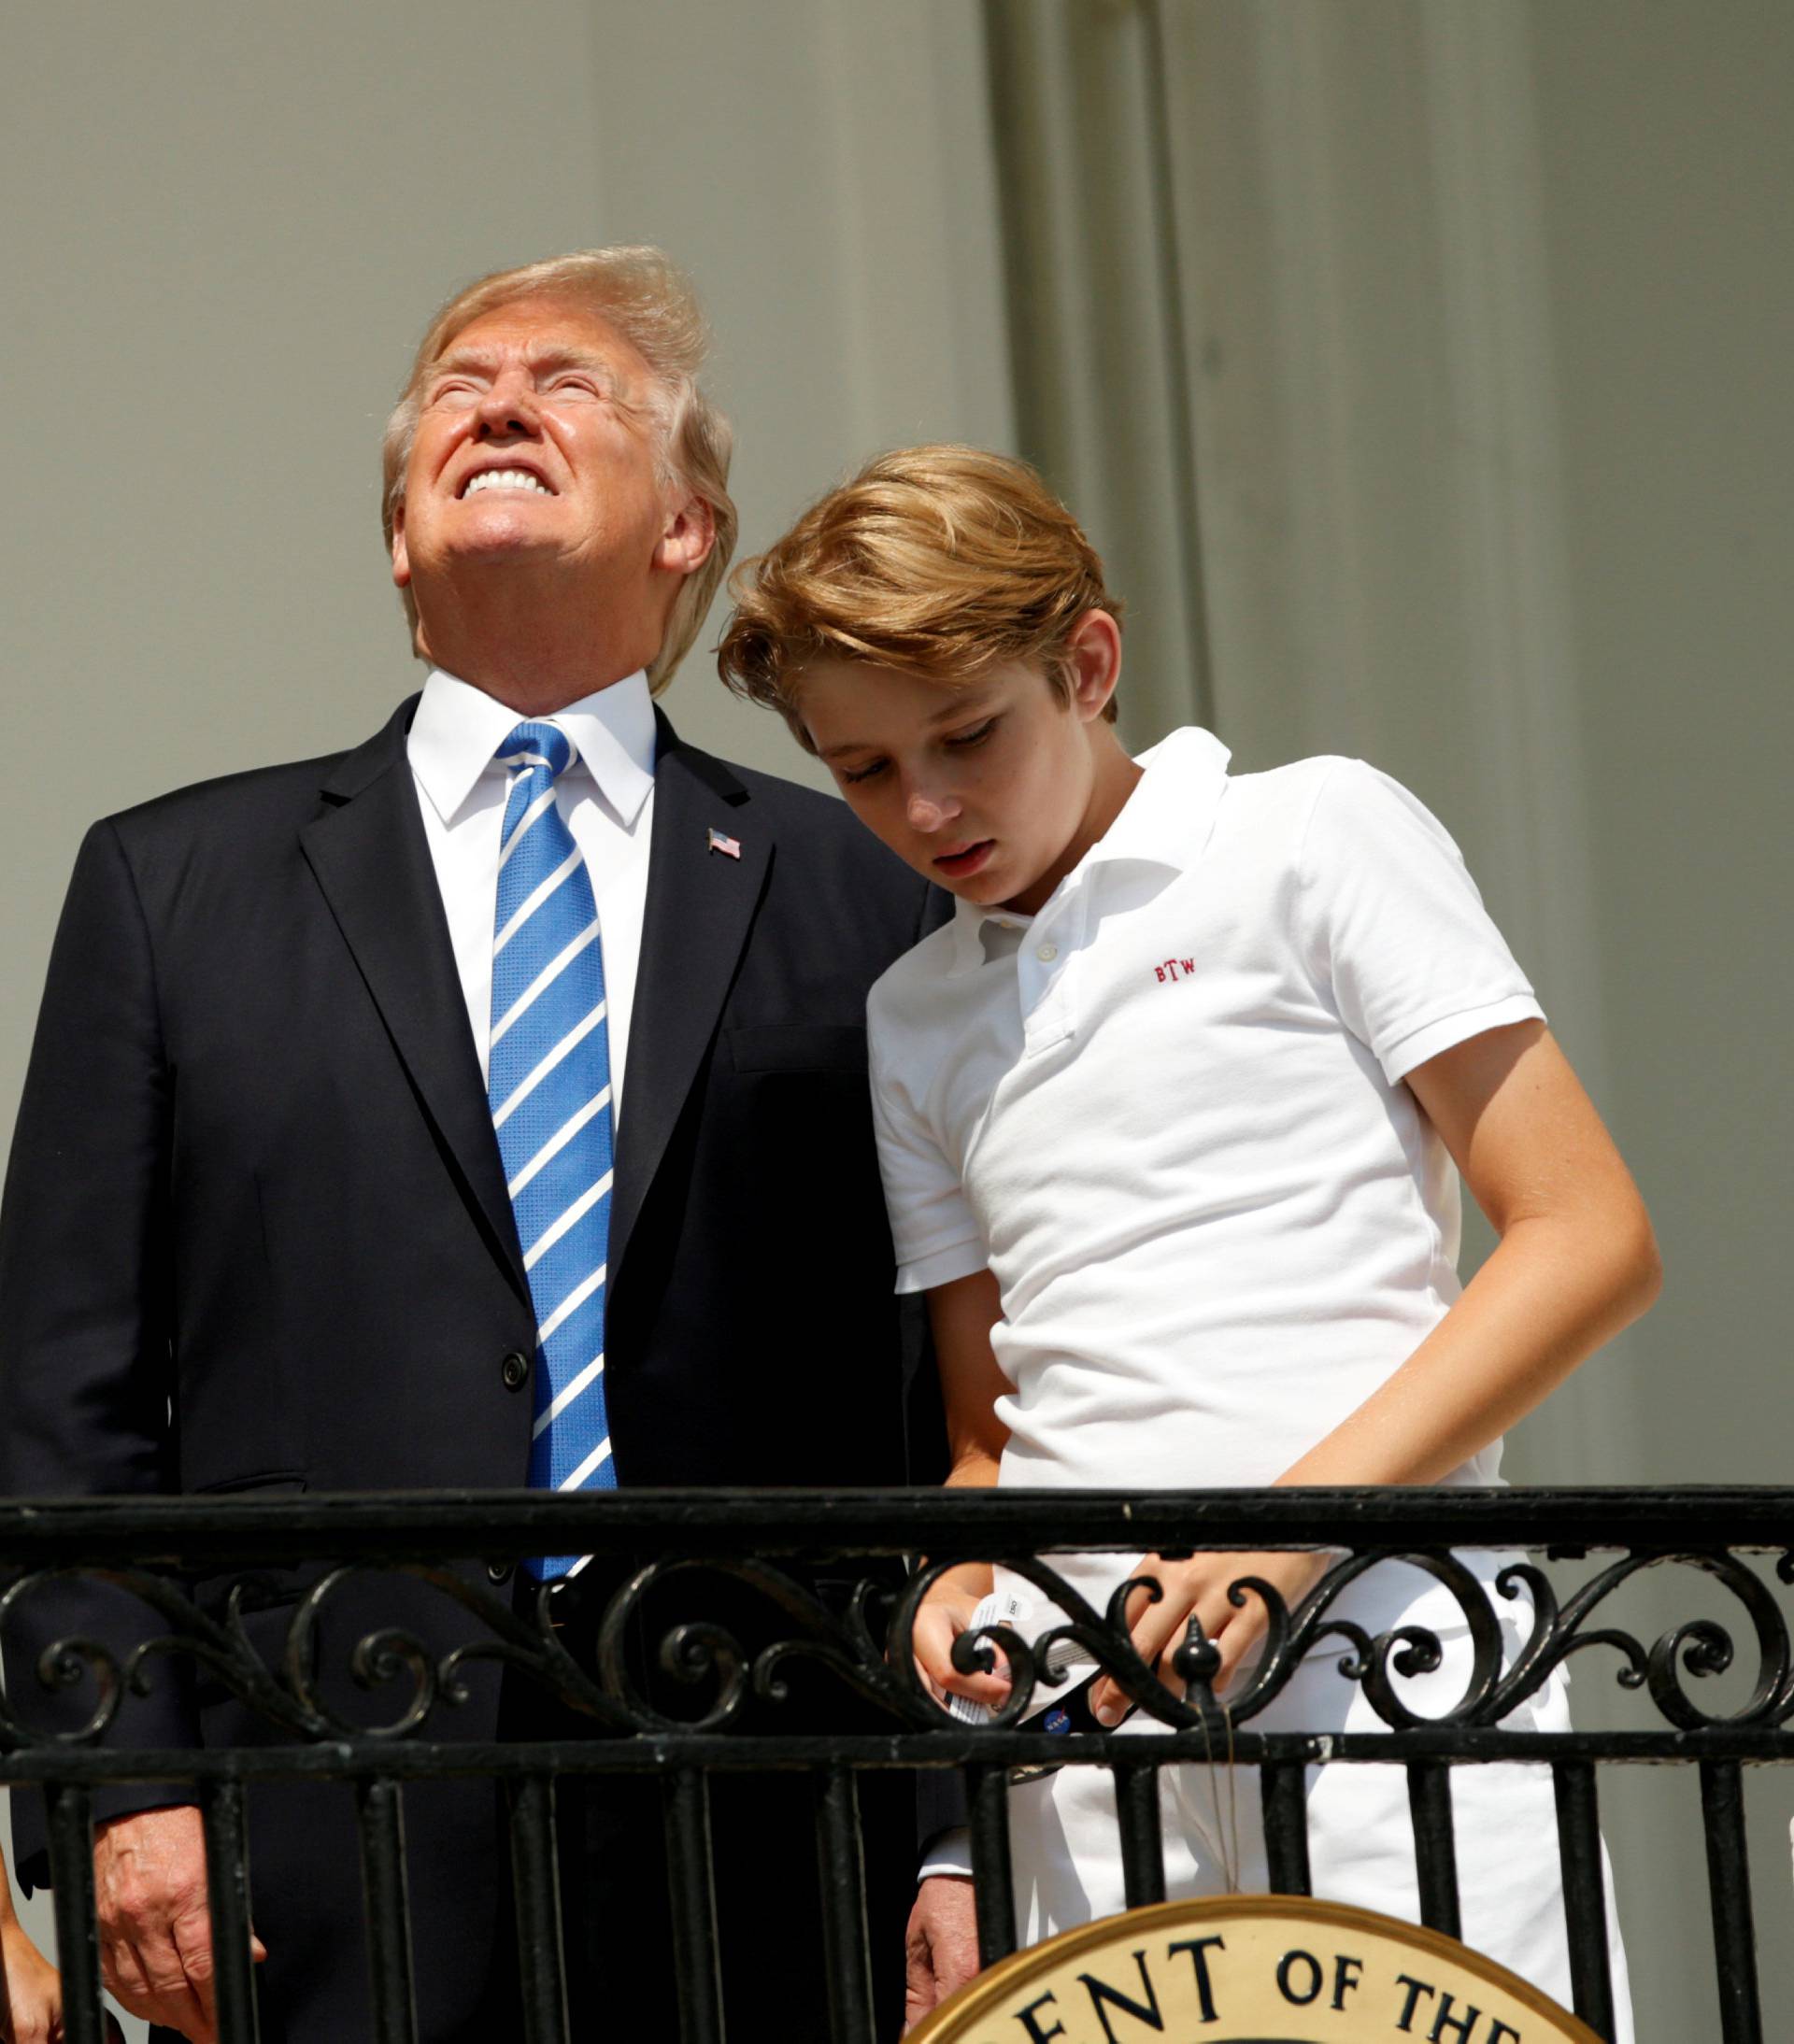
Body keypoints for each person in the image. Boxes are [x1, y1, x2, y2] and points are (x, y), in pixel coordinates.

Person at [0, 251, 952, 2041]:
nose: (499, 398)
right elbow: (68, 1402)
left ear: (689, 530)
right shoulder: (169, 888)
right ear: (395, 542)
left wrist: (959, 1837)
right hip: (310, 1829)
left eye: (570, 383)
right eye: (457, 385)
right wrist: (119, 1796)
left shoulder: (864, 893)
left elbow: (940, 1399)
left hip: (764, 1823)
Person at [717, 443, 1661, 2033]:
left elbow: (1589, 1234)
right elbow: (983, 1434)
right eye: (864, 769)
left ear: (1089, 662)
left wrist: (1288, 1538)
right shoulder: (912, 1014)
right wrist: (957, 1576)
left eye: (966, 735)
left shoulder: (1311, 835)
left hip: (1402, 1672)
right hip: (1085, 1749)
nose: (927, 806)